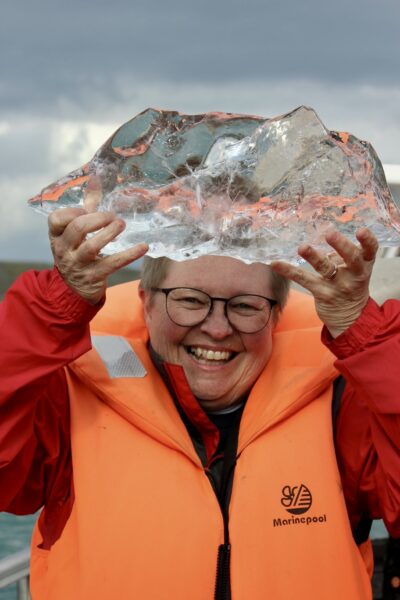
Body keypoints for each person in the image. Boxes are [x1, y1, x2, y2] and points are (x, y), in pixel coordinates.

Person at [0, 205, 399, 600]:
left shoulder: (341, 405)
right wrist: (52, 311)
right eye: (190, 300)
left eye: (245, 306)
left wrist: (363, 333)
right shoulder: (69, 398)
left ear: (276, 316)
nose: (218, 329)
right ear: (146, 302)